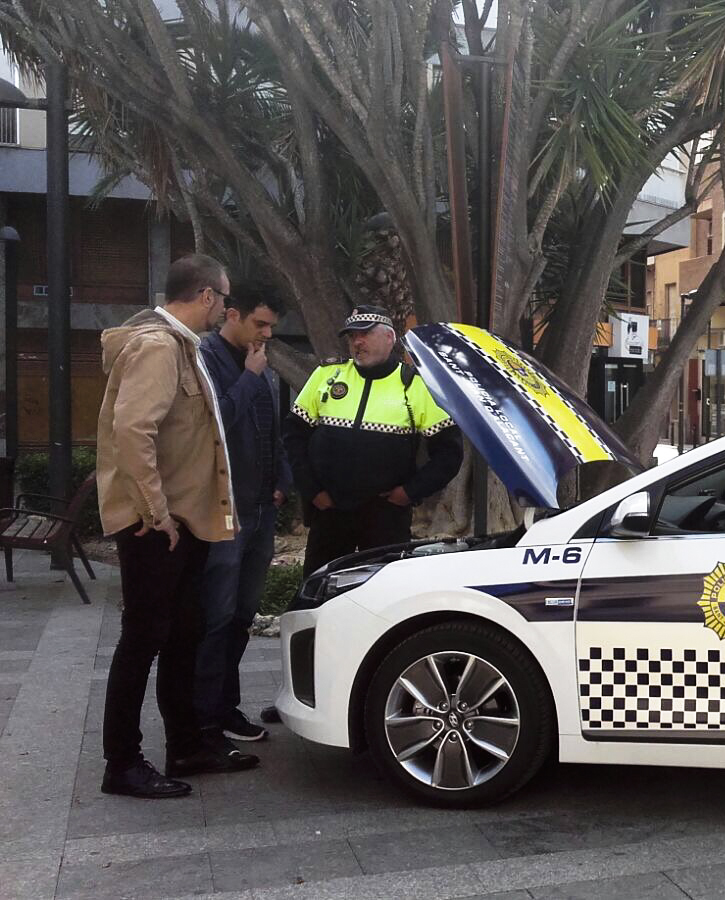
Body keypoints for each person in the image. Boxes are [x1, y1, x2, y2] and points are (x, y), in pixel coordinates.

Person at [95, 254, 260, 800]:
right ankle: (122, 763)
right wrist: (156, 512)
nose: (224, 308)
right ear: (208, 295)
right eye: (224, 297)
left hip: (183, 524)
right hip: (155, 527)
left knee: (184, 633)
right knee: (142, 639)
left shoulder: (182, 348)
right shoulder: (159, 347)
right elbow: (132, 430)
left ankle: (187, 745)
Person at [286, 305, 462, 578]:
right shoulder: (328, 376)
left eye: (365, 335)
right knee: (319, 588)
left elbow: (449, 454)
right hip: (330, 512)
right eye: (352, 336)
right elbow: (294, 436)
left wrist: (409, 493)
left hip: (385, 516)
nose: (357, 342)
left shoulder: (413, 385)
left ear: (390, 338)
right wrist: (312, 491)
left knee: (384, 591)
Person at [194, 289, 291, 746]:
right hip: (223, 512)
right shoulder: (207, 359)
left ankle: (224, 708)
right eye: (260, 324)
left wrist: (281, 483)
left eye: (270, 327)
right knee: (216, 616)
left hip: (259, 509)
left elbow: (273, 431)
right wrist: (252, 378)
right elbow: (214, 425)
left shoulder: (259, 363)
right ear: (231, 314)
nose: (266, 334)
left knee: (242, 614)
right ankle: (203, 717)